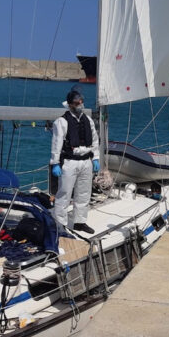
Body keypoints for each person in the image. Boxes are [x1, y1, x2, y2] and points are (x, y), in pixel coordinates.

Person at [50, 86, 100, 234]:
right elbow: (56, 142)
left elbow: (95, 140)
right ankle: (60, 225)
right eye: (77, 102)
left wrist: (96, 158)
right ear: (70, 104)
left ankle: (80, 222)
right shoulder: (62, 121)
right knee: (64, 194)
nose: (80, 104)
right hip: (69, 162)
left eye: (82, 101)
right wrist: (55, 163)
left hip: (86, 161)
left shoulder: (88, 120)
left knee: (84, 193)